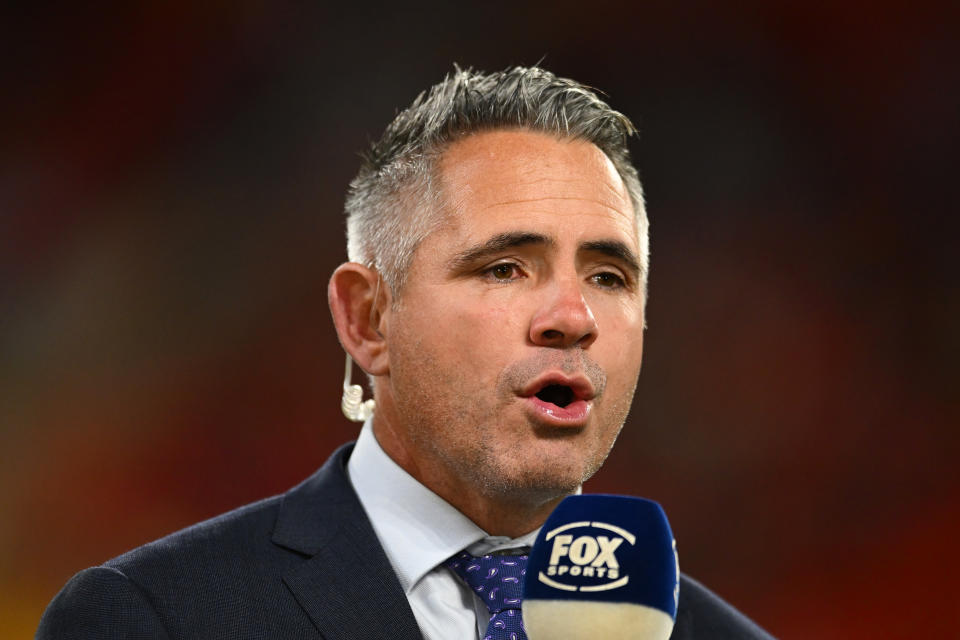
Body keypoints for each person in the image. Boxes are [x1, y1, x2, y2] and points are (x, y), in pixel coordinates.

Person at [37, 66, 773, 639]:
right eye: (504, 267)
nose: (573, 317)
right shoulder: (159, 620)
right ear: (368, 319)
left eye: (609, 276)